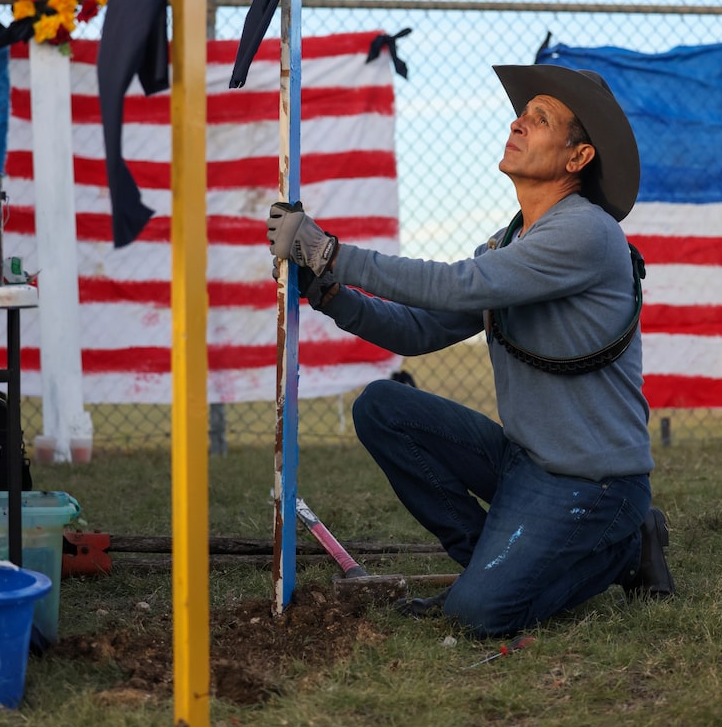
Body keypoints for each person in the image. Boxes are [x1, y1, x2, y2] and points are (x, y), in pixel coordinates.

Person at [266, 63, 675, 637]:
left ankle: (626, 550)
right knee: (383, 407)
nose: (518, 123)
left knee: (481, 616)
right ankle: (493, 564)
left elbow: (455, 284)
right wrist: (333, 295)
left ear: (577, 158)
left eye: (540, 119)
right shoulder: (511, 241)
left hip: (595, 482)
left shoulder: (585, 231)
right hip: (527, 462)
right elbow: (422, 330)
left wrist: (330, 253)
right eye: (522, 113)